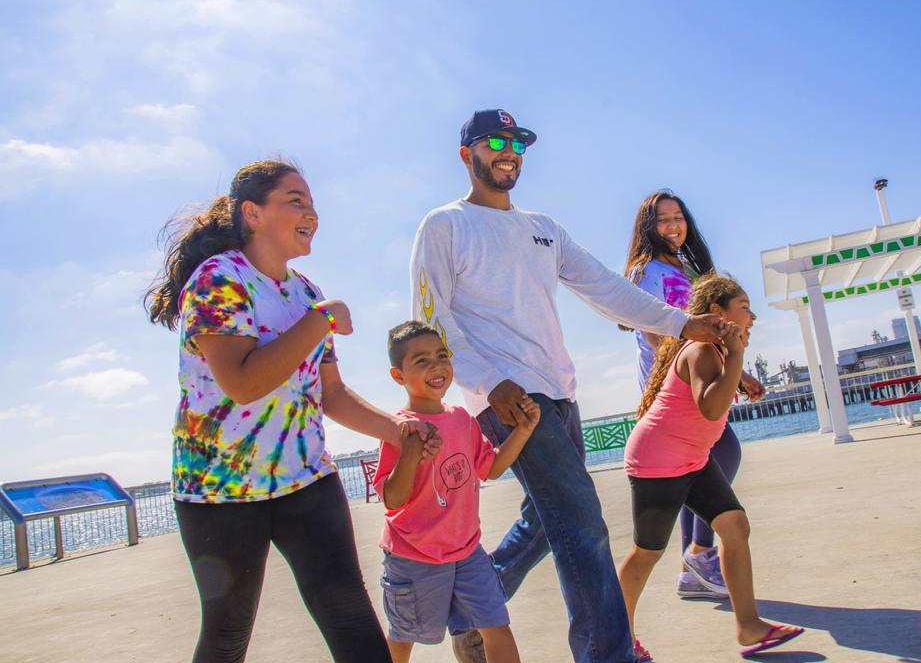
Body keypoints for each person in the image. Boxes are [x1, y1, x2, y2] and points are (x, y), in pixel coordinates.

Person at [409, 109, 735, 663]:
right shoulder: (445, 225)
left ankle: (467, 614)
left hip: (559, 392)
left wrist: (682, 323)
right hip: (510, 398)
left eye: (517, 142)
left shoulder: (543, 228)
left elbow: (606, 288)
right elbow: (432, 317)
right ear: (467, 154)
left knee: (545, 520)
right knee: (583, 521)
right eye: (494, 141)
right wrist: (491, 384)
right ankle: (608, 654)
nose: (507, 150)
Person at [146, 160, 439, 663]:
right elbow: (242, 383)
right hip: (221, 491)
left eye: (311, 202)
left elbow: (331, 395)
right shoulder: (219, 279)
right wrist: (320, 321)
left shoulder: (306, 293)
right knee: (227, 632)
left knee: (350, 615)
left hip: (306, 481)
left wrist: (398, 429)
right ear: (252, 213)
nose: (311, 212)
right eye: (295, 200)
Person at [618, 273, 803, 660]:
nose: (752, 316)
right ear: (718, 312)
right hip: (658, 461)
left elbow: (716, 394)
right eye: (745, 308)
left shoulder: (715, 351)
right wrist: (737, 357)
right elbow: (711, 406)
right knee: (646, 554)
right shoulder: (701, 350)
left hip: (691, 457)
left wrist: (741, 372)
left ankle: (749, 627)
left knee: (734, 525)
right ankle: (617, 640)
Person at [622, 190, 764, 601]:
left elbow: (712, 326)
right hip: (674, 383)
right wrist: (675, 371)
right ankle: (699, 556)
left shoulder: (688, 267)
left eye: (678, 217)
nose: (672, 226)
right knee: (721, 453)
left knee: (700, 464)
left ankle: (697, 559)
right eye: (662, 219)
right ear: (648, 227)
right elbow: (651, 328)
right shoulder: (645, 271)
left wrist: (738, 374)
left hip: (702, 372)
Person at [374, 321, 540, 663]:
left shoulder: (463, 419)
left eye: (441, 355)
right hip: (413, 555)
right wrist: (410, 454)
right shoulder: (400, 427)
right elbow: (392, 499)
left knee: (497, 624)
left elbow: (489, 468)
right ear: (398, 375)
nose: (436, 366)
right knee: (404, 638)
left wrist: (522, 431)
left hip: (467, 552)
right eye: (421, 361)